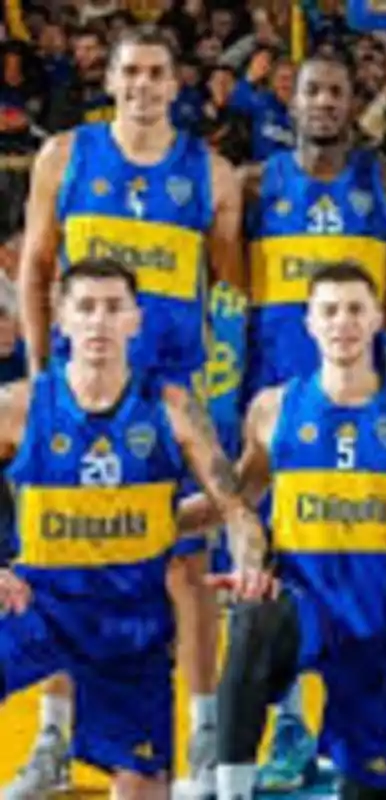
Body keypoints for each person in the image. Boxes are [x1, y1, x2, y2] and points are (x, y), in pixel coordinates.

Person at [177, 262, 386, 800]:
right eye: (329, 310)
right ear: (308, 321)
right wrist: (149, 522)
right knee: (254, 620)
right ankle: (226, 780)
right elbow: (232, 498)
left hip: (377, 625)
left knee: (371, 787)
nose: (342, 322)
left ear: (379, 319)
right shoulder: (273, 409)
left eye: (356, 309)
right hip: (301, 607)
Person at [15, 24, 243, 798]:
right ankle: (53, 740)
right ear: (110, 81)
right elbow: (38, 266)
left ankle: (205, 733)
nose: (144, 84)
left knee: (182, 564)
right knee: (59, 559)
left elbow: (231, 288)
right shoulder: (64, 156)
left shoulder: (211, 175)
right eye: (132, 71)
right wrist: (44, 371)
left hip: (169, 389)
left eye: (158, 71)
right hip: (76, 387)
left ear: (177, 84)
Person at [0, 257, 271, 800]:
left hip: (133, 627)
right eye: (86, 307)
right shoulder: (20, 408)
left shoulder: (171, 411)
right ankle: (51, 749)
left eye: (113, 307)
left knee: (145, 787)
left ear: (135, 320)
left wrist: (249, 561)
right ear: (62, 319)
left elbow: (235, 508)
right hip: (41, 605)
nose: (99, 321)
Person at [241, 52, 386, 791]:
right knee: (277, 567)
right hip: (276, 399)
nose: (326, 102)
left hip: (358, 397)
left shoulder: (385, 188)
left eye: (338, 91)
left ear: (352, 102)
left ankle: (363, 727)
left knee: (356, 565)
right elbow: (236, 279)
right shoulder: (256, 186)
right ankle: (287, 726)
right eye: (313, 90)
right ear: (292, 98)